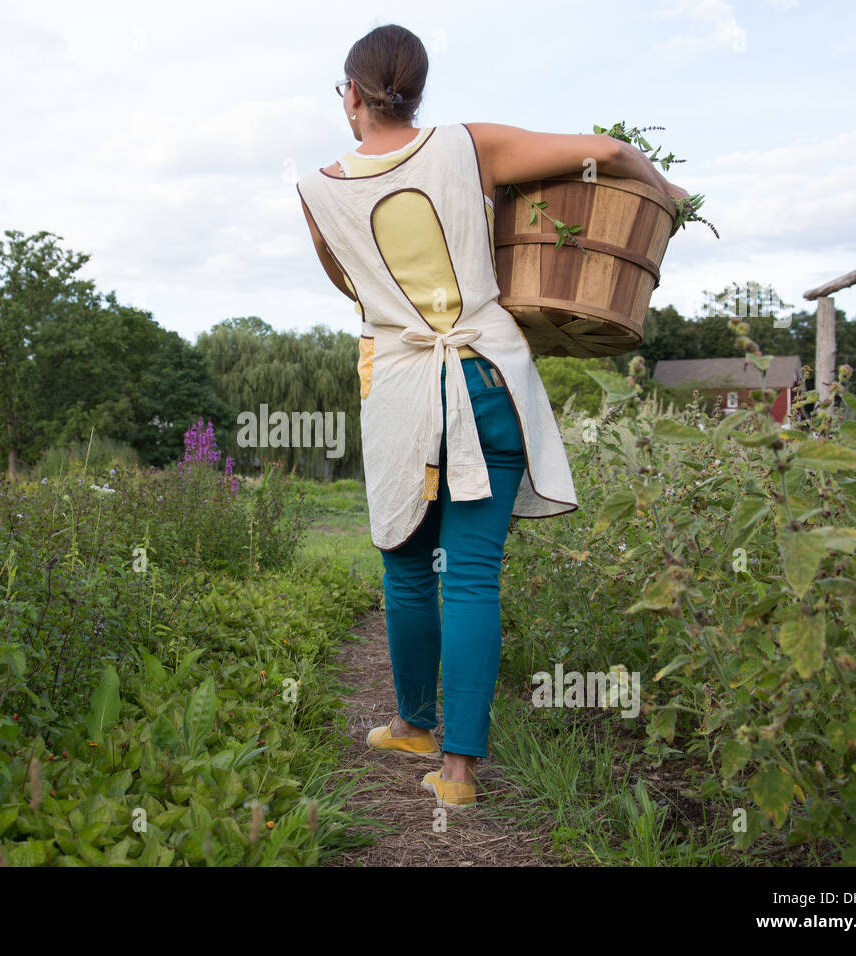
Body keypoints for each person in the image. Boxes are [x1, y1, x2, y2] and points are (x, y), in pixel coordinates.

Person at [295, 24, 690, 809]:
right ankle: (459, 775)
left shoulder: (318, 191)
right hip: (490, 376)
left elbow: (352, 287)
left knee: (407, 565)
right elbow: (607, 155)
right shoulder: (467, 147)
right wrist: (668, 198)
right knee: (472, 576)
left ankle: (414, 723)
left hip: (404, 389)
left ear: (351, 95)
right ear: (417, 90)